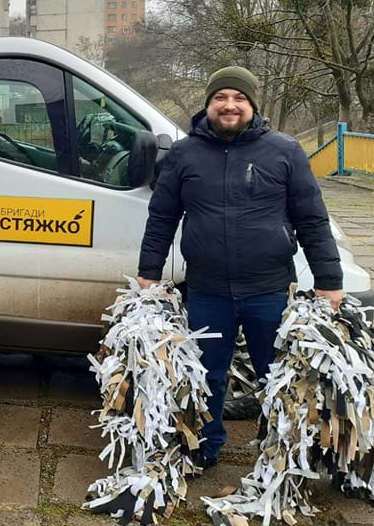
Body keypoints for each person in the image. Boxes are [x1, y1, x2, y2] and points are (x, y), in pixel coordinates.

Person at [136, 65, 343, 470]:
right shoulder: (184, 154)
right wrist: (149, 271)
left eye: (239, 98)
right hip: (207, 291)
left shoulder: (284, 151)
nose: (229, 105)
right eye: (220, 98)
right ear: (208, 104)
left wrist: (329, 280)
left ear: (252, 105)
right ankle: (205, 446)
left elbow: (312, 219)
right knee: (206, 375)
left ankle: (281, 454)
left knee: (279, 376)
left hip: (269, 291)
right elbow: (161, 217)